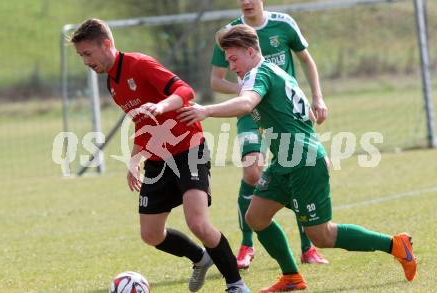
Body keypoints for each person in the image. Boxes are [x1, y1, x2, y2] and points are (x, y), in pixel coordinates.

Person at [178, 24, 417, 292]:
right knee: (255, 217)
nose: (231, 67)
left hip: (302, 160)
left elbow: (246, 104)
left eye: (233, 59)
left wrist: (206, 111)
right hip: (285, 160)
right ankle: (291, 277)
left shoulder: (260, 74)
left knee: (322, 235)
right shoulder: (277, 72)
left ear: (250, 51)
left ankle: (396, 245)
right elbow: (301, 118)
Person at [71, 18, 250, 293]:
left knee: (198, 222)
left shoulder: (139, 64)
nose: (85, 61)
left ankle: (236, 284)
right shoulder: (112, 83)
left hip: (188, 148)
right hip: (157, 160)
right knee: (151, 234)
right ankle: (200, 259)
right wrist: (134, 159)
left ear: (106, 44)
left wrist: (163, 104)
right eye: (81, 56)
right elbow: (142, 123)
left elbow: (184, 91)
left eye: (87, 53)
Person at [210, 0, 328, 269]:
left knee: (297, 166)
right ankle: (247, 244)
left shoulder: (283, 24)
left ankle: (307, 248)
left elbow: (306, 60)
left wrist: (317, 98)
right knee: (252, 173)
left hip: (283, 110)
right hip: (250, 110)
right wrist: (248, 92)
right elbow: (215, 80)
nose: (246, 2)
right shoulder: (230, 33)